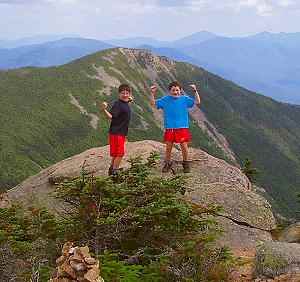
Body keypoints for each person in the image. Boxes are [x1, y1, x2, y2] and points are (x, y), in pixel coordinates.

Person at [150, 81, 201, 173]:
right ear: (169, 91)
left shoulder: (184, 99)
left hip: (182, 127)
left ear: (180, 91)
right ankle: (167, 163)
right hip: (170, 127)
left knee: (184, 146)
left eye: (177, 90)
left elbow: (197, 102)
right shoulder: (165, 99)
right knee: (168, 147)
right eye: (173, 90)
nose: (175, 92)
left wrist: (195, 91)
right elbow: (153, 104)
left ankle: (185, 163)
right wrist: (152, 94)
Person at [101, 84, 132, 176]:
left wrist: (129, 99)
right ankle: (115, 171)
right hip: (117, 132)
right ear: (119, 94)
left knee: (115, 153)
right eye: (123, 93)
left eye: (127, 93)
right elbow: (111, 117)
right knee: (120, 154)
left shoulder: (125, 101)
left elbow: (127, 101)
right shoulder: (118, 104)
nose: (125, 95)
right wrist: (104, 110)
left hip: (119, 133)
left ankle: (111, 169)